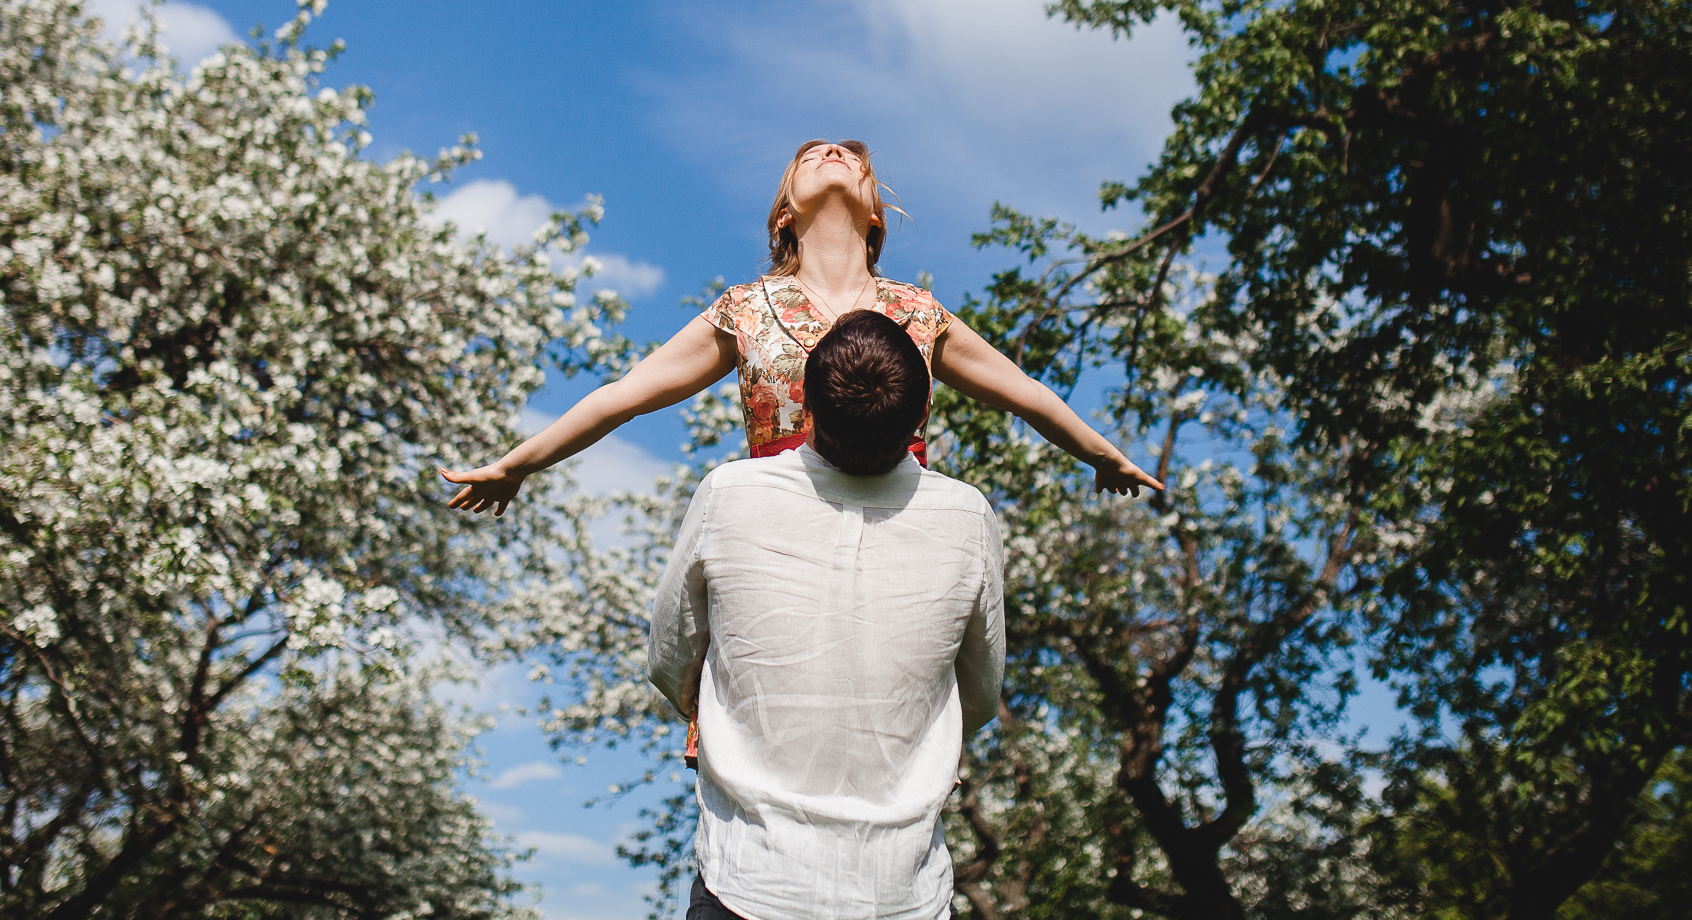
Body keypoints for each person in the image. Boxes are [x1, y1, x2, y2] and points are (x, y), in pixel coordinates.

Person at [441, 138, 1161, 514]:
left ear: (876, 211)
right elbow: (623, 394)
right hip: (778, 520)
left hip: (897, 520)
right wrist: (517, 464)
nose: (833, 152)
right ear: (784, 211)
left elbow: (1026, 392)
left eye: (853, 157)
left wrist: (1101, 454)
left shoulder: (920, 312)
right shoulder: (745, 308)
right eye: (810, 154)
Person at [649, 310, 1005, 919]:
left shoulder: (728, 497)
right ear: (920, 416)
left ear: (803, 405)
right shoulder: (968, 517)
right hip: (904, 893)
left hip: (749, 883)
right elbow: (978, 695)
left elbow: (670, 661)